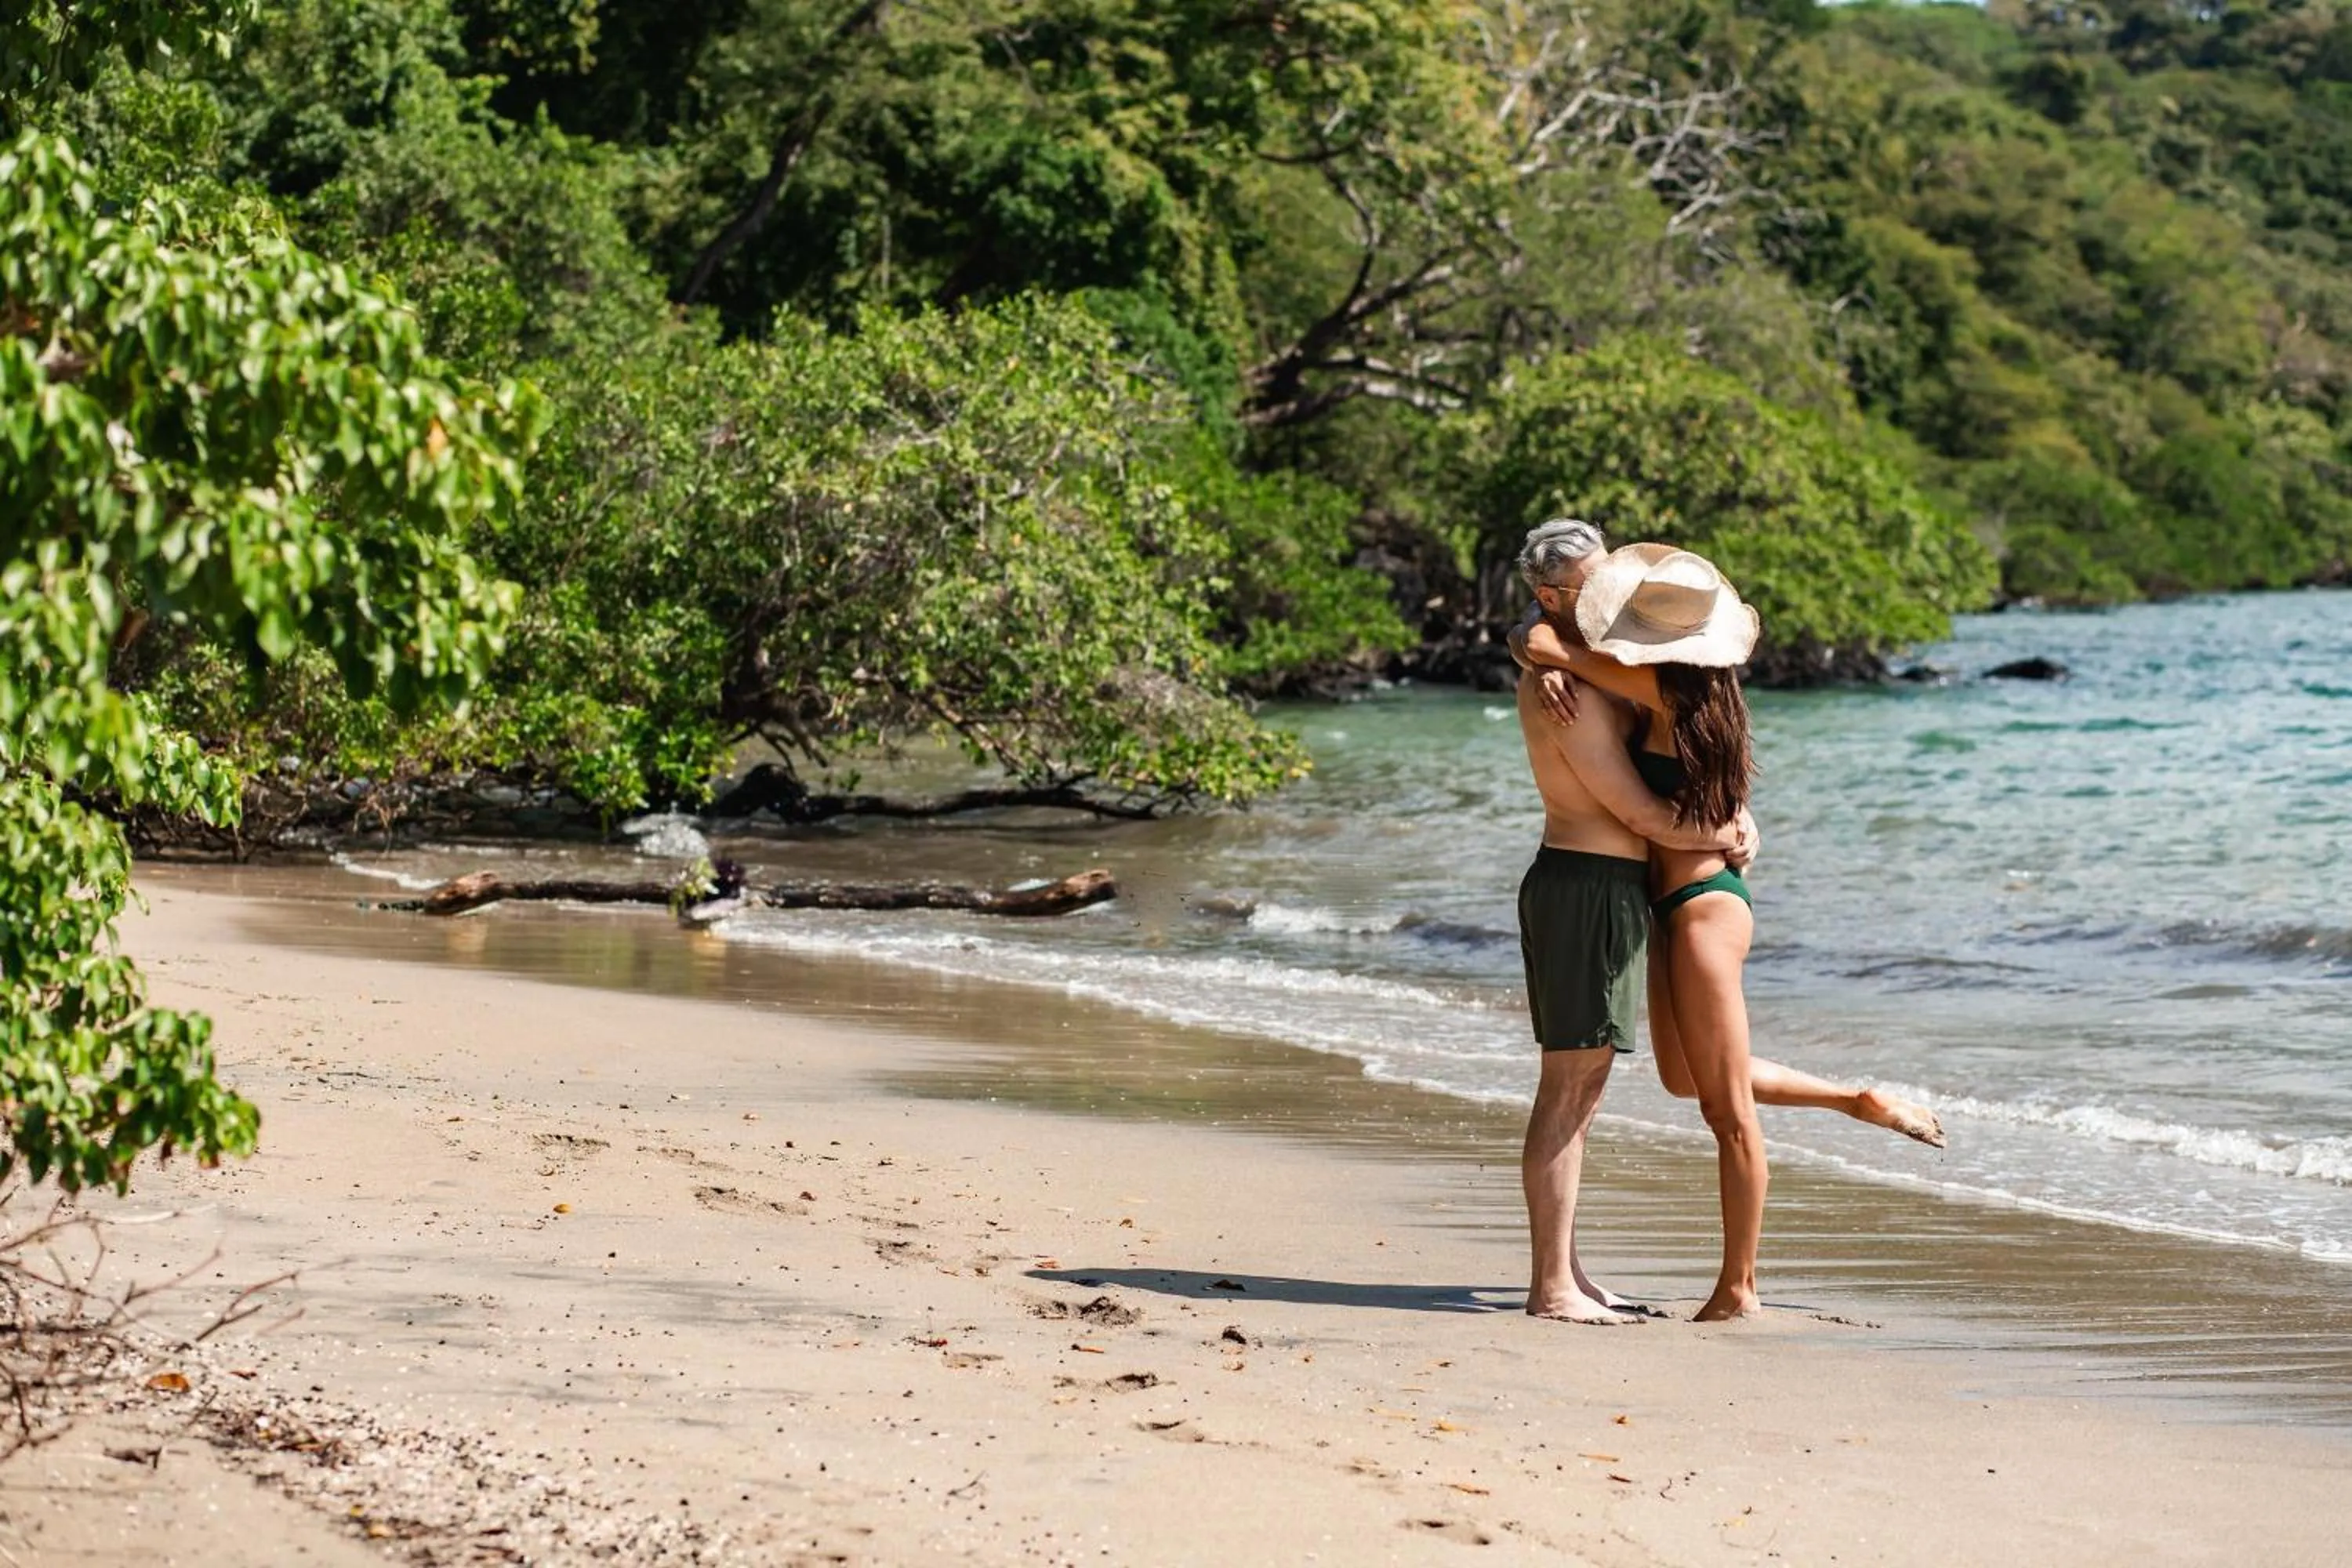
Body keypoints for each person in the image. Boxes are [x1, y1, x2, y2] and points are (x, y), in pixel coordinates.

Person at [1512, 541, 1944, 1320]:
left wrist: (1547, 655)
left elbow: (1541, 639)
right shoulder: (1700, 688)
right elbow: (1543, 645)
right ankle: (1856, 1097)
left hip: (1705, 902)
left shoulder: (1655, 686)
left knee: (1726, 1111)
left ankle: (1738, 1285)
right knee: (1689, 1078)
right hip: (1676, 896)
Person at [1506, 521, 1759, 1324]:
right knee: (1569, 1086)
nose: (1609, 599)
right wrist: (1724, 834)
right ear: (1552, 595)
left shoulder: (1595, 667)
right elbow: (1638, 810)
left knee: (1582, 1088)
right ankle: (1551, 1285)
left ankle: (1568, 1272)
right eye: (1592, 587)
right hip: (1587, 883)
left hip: (1604, 887)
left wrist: (1740, 816)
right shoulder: (1570, 682)